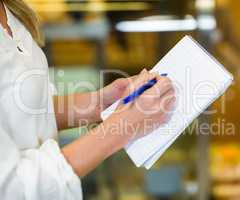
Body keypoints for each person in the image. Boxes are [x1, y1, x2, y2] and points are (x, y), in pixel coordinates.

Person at [0, 0, 176, 199]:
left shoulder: (10, 8)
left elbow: (18, 109)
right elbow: (12, 186)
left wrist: (102, 103)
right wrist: (121, 128)